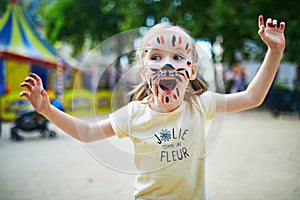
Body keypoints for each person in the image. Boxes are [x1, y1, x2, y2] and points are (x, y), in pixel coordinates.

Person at [20, 15, 286, 200]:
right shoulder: (134, 114)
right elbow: (88, 133)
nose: (166, 64)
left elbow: (252, 97)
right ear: (144, 69)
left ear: (191, 71)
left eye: (177, 56)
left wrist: (274, 52)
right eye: (156, 56)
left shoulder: (199, 104)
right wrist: (46, 110)